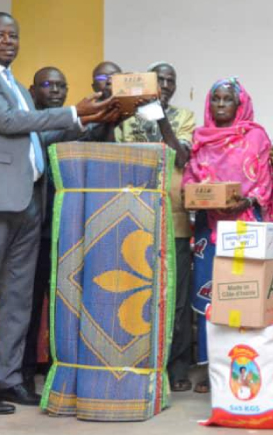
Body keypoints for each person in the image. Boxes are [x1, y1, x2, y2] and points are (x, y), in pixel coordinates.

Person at [0, 12, 114, 415]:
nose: (8, 41)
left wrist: (93, 120)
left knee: (18, 301)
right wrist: (75, 111)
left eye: (13, 35)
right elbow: (7, 122)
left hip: (27, 202)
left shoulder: (18, 88)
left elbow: (37, 133)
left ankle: (8, 381)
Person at [183, 78, 273, 394]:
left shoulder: (255, 136)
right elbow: (191, 181)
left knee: (243, 295)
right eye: (216, 99)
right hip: (207, 229)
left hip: (245, 226)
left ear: (240, 104)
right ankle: (212, 368)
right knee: (210, 295)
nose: (222, 104)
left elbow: (265, 181)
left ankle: (246, 364)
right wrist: (200, 197)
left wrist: (248, 200)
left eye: (228, 99)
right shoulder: (200, 139)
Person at [115, 61, 196, 392]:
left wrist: (161, 119)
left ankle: (176, 368)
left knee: (175, 300)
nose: (164, 85)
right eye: (158, 80)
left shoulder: (184, 118)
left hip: (174, 220)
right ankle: (141, 364)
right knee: (138, 296)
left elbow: (182, 157)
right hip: (133, 220)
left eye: (169, 80)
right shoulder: (127, 120)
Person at [19, 66, 70, 392]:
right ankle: (21, 373)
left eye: (61, 85)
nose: (56, 90)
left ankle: (55, 365)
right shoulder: (27, 124)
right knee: (28, 303)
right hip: (29, 230)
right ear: (32, 89)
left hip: (63, 229)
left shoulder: (68, 124)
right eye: (48, 84)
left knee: (61, 301)